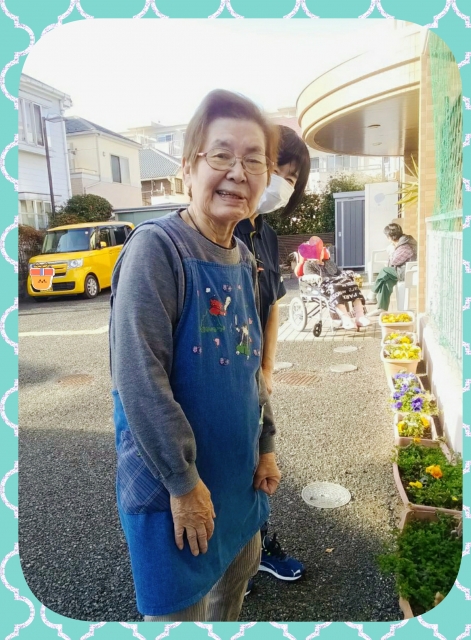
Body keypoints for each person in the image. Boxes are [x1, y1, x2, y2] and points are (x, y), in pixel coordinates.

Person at [109, 89, 282, 622]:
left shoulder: (245, 257)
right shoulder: (157, 250)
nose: (238, 172)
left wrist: (267, 445)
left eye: (254, 160)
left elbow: (252, 369)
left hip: (238, 483)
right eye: (221, 155)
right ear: (188, 167)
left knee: (232, 596)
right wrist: (184, 486)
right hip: (176, 494)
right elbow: (139, 381)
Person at [234, 125, 309, 585]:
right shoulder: (223, 222)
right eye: (276, 167)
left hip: (251, 371)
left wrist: (266, 368)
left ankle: (255, 550)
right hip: (217, 371)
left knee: (259, 460)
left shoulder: (264, 232)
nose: (280, 182)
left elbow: (273, 304)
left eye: (291, 177)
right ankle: (232, 561)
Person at [295, 237, 370, 330]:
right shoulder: (308, 265)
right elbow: (309, 277)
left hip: (337, 282)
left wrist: (350, 274)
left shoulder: (329, 263)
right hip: (322, 285)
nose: (320, 253)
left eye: (321, 251)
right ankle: (345, 319)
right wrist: (316, 277)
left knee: (353, 285)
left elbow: (339, 273)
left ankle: (360, 316)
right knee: (336, 288)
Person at [366, 223, 417, 315]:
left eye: (387, 236)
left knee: (384, 271)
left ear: (390, 237)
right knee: (386, 281)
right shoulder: (401, 243)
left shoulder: (405, 246)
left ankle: (372, 294)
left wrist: (392, 250)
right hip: (401, 271)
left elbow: (394, 261)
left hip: (407, 273)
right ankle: (381, 308)